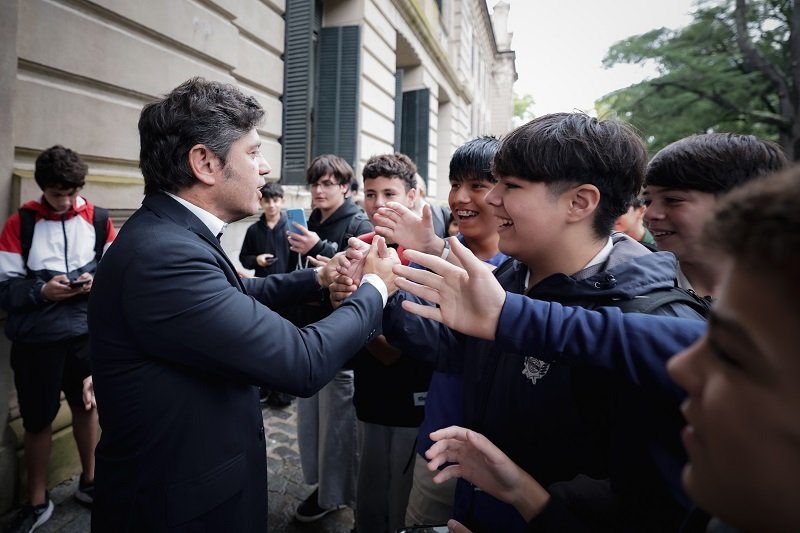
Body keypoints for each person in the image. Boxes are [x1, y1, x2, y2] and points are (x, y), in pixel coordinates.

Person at [397, 164, 800, 533]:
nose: (683, 368)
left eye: (735, 353)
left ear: (581, 202)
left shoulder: (654, 311)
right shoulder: (511, 278)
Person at [86, 77, 399, 533]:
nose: (266, 167)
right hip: (179, 511)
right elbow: (303, 361)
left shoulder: (169, 234)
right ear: (205, 163)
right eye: (252, 153)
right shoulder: (164, 255)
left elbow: (231, 297)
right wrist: (375, 286)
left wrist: (319, 276)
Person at [376, 113, 705, 532]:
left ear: (579, 202)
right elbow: (458, 351)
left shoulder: (645, 316)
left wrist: (532, 505)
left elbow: (645, 506)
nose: (491, 200)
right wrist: (381, 296)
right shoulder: (508, 278)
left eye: (510, 186)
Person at [365, 137, 507, 528]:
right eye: (455, 183)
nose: (461, 197)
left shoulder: (520, 266)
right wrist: (374, 294)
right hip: (439, 440)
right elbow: (423, 340)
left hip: (502, 454)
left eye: (477, 186)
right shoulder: (425, 253)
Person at [0, 145, 116, 533]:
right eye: (56, 195)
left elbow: (119, 277)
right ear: (42, 190)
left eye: (71, 193)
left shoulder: (99, 220)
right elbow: (4, 289)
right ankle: (36, 502)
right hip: (37, 343)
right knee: (36, 420)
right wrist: (41, 292)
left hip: (85, 336)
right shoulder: (22, 223)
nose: (65, 202)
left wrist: (96, 283)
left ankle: (90, 481)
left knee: (87, 409)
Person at [347, 152, 435, 533]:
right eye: (370, 193)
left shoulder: (426, 255)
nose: (379, 204)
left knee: (401, 500)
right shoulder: (357, 245)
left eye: (390, 193)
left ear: (412, 197)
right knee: (366, 491)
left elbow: (391, 350)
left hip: (411, 399)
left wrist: (355, 310)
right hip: (368, 395)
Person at [286, 154, 373, 523]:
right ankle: (322, 484)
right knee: (313, 424)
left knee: (338, 427)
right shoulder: (312, 219)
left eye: (327, 184)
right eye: (315, 184)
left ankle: (334, 496)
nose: (318, 191)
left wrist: (319, 249)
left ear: (345, 188)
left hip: (341, 345)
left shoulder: (357, 221)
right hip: (309, 334)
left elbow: (364, 273)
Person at [642, 132, 786, 298]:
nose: (650, 214)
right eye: (647, 201)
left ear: (740, 203)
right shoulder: (634, 292)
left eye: (672, 200)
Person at [238, 181, 298, 407]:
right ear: (261, 202)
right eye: (267, 200)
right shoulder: (253, 230)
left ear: (282, 201)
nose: (271, 205)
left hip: (289, 295)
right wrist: (257, 260)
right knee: (263, 342)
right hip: (263, 293)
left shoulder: (292, 228)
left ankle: (284, 392)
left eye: (275, 200)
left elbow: (298, 263)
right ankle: (264, 389)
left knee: (286, 343)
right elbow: (244, 258)